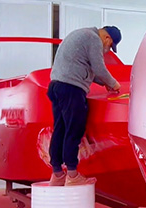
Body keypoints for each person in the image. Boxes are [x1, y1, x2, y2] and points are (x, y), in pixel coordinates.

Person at [47, 26, 122, 186]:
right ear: (107, 39)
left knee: (60, 129)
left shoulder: (82, 34)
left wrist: (105, 83)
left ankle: (57, 174)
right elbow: (99, 68)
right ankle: (72, 175)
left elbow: (85, 69)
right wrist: (114, 84)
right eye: (110, 47)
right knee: (74, 130)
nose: (107, 50)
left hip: (57, 86)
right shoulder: (94, 39)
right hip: (72, 89)